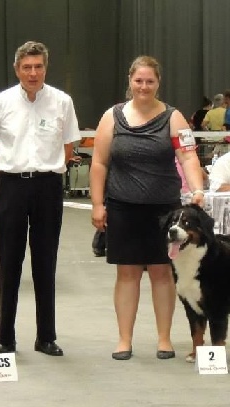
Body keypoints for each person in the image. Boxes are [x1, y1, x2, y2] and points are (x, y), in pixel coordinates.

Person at [90, 55, 205, 361]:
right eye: (138, 81)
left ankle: (164, 339)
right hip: (122, 208)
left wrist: (197, 189)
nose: (143, 86)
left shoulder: (175, 118)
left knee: (162, 274)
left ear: (158, 83)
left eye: (149, 81)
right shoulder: (111, 117)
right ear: (130, 81)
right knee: (126, 274)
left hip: (164, 213)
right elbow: (99, 163)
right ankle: (124, 340)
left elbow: (189, 158)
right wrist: (98, 204)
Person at [0, 41, 80, 357]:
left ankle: (46, 336)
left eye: (38, 67)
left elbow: (69, 148)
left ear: (45, 68)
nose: (32, 73)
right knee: (9, 262)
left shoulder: (62, 102)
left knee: (46, 261)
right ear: (17, 69)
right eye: (26, 67)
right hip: (11, 187)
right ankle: (5, 337)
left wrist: (46, 170)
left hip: (48, 187)